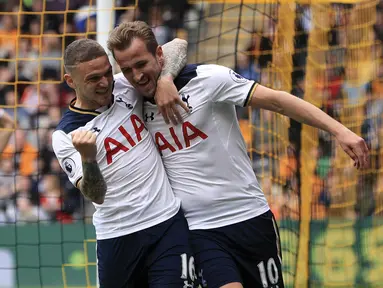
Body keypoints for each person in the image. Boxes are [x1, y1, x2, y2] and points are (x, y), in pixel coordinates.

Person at [107, 21, 370, 288]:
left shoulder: (208, 80)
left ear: (159, 56)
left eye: (142, 64)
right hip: (198, 229)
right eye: (127, 69)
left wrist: (339, 131)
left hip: (249, 215)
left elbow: (278, 101)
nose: (136, 76)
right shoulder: (127, 96)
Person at [52, 38, 197, 288]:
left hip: (165, 223)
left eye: (108, 73)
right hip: (117, 238)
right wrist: (88, 157)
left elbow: (178, 45)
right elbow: (95, 194)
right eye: (94, 78)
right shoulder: (65, 135)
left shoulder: (124, 86)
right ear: (70, 81)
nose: (105, 83)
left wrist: (165, 79)